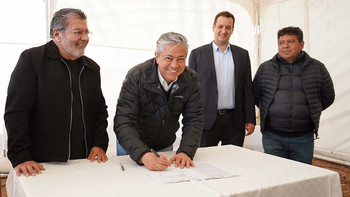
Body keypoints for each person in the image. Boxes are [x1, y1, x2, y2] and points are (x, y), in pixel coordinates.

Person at [4, 8, 109, 177]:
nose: (85, 38)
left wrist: (99, 143)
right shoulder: (32, 60)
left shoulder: (91, 68)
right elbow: (17, 112)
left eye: (86, 32)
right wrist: (21, 156)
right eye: (78, 32)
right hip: (40, 164)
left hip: (84, 162)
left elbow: (99, 111)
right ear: (57, 34)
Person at [114, 32, 204, 171]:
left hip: (164, 145)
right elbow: (123, 121)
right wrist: (143, 154)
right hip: (132, 146)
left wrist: (186, 151)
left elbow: (194, 119)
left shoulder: (190, 78)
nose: (174, 65)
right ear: (157, 56)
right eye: (169, 58)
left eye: (181, 59)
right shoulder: (136, 76)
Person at [253, 26, 335, 164]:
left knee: (301, 177)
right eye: (281, 42)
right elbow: (255, 95)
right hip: (273, 137)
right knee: (275, 176)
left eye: (290, 41)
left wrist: (310, 110)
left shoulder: (317, 67)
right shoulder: (266, 68)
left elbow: (328, 96)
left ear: (302, 44)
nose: (285, 46)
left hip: (303, 138)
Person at [188, 11, 256, 147]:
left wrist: (250, 118)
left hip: (235, 121)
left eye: (228, 27)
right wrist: (192, 119)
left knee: (233, 162)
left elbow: (247, 89)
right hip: (206, 121)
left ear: (232, 30)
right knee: (206, 163)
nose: (223, 31)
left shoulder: (242, 55)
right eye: (220, 26)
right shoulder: (197, 54)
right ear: (213, 27)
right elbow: (191, 90)